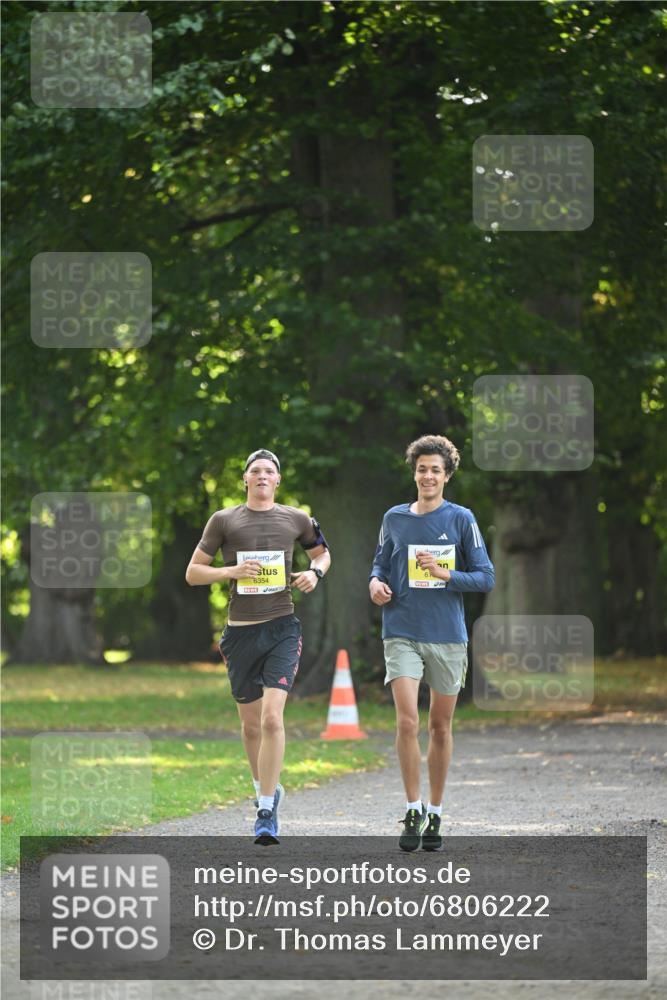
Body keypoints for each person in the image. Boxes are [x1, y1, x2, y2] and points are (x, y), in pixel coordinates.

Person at [186, 449, 330, 845]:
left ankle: (266, 810)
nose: (263, 476)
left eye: (269, 471)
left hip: (282, 628)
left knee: (271, 719)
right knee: (250, 726)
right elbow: (192, 572)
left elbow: (322, 553)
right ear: (245, 479)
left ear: (278, 480)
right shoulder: (224, 520)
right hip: (240, 634)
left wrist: (315, 573)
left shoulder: (296, 518)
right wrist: (229, 571)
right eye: (256, 471)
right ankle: (263, 787)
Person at [369, 434, 494, 851]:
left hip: (447, 636)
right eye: (422, 468)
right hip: (401, 628)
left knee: (439, 726)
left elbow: (485, 577)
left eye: (435, 470)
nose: (427, 475)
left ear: (447, 475)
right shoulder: (394, 518)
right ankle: (412, 807)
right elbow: (381, 563)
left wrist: (446, 575)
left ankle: (436, 812)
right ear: (414, 472)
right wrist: (375, 584)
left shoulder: (461, 519)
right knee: (407, 721)